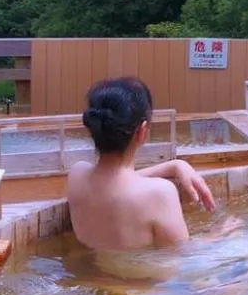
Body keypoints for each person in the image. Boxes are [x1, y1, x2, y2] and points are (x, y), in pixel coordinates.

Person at [68, 76, 219, 249]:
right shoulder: (160, 193)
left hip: (92, 272)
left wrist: (174, 165)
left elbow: (116, 183)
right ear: (142, 131)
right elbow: (185, 256)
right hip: (146, 277)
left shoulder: (76, 175)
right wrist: (218, 235)